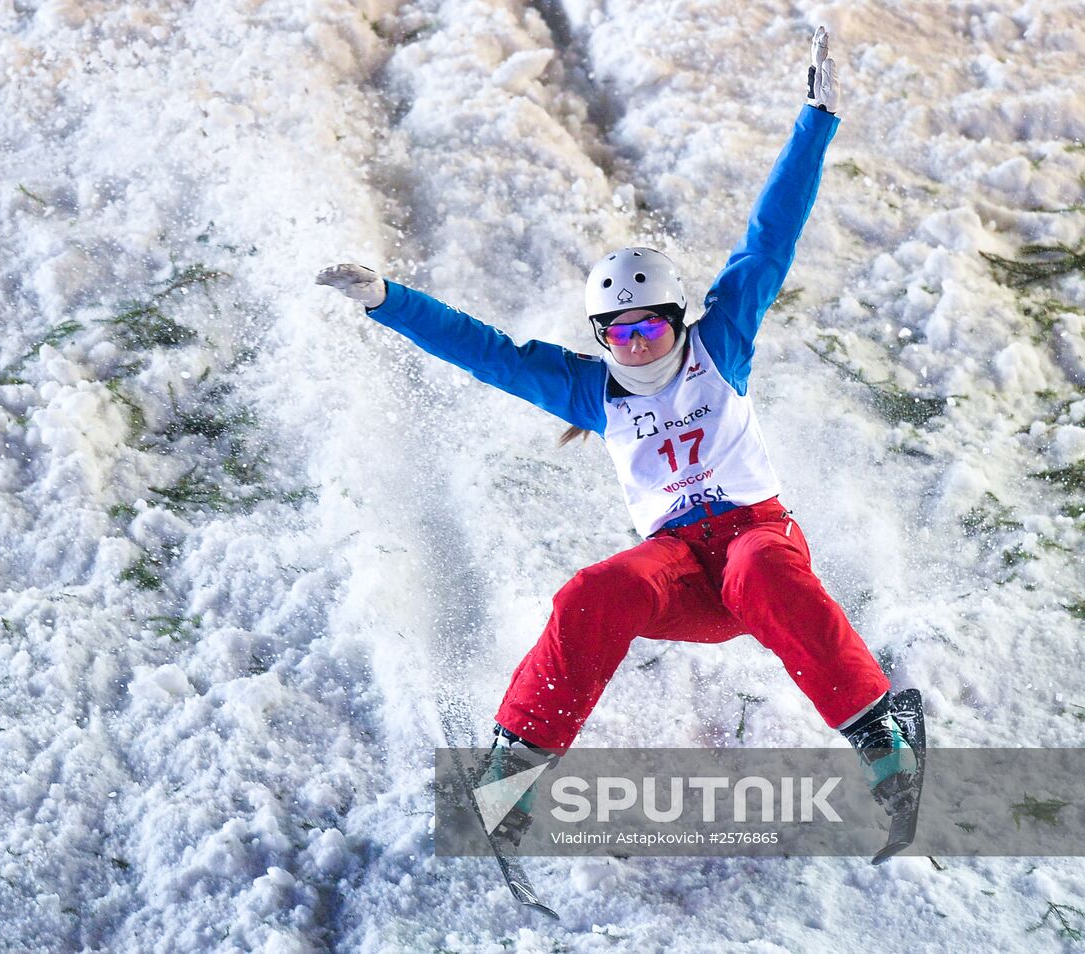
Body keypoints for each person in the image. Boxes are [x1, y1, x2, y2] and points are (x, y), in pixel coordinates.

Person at [316, 27, 918, 845]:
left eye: (650, 330)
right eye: (618, 334)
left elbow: (769, 240)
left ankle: (883, 738)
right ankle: (514, 768)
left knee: (760, 565)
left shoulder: (722, 344)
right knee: (593, 592)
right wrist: (389, 300)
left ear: (678, 320)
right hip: (677, 570)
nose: (637, 348)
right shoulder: (588, 389)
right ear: (600, 336)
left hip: (754, 545)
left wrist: (817, 119)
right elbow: (484, 350)